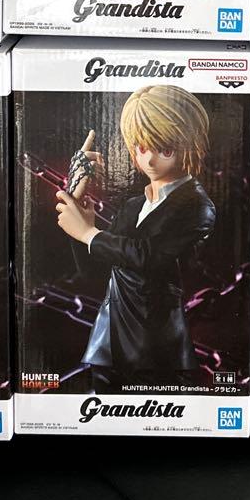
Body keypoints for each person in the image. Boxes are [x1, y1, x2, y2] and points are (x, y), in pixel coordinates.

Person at [54, 85, 216, 391]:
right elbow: (95, 270)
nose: (150, 160)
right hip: (107, 342)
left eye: (165, 149)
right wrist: (79, 220)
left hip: (155, 348)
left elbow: (148, 257)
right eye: (142, 148)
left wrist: (89, 232)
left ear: (190, 143)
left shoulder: (197, 205)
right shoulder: (132, 206)